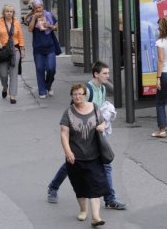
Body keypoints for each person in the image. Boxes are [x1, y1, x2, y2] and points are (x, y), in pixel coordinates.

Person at [47, 62, 127, 211]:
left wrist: (102, 124)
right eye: (105, 73)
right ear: (95, 74)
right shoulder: (87, 90)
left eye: (108, 73)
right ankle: (53, 187)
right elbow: (73, 110)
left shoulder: (102, 88)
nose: (107, 76)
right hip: (80, 136)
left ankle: (109, 198)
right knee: (71, 164)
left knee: (106, 165)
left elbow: (99, 112)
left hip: (95, 135)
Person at [60, 83, 109, 227]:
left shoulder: (94, 107)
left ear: (85, 95)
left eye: (80, 94)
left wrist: (102, 126)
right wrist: (68, 152)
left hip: (94, 155)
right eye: (75, 94)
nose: (77, 97)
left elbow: (102, 123)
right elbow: (64, 134)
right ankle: (83, 210)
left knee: (95, 186)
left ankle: (96, 217)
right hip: (76, 156)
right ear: (71, 96)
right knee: (80, 185)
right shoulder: (68, 112)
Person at [0, 5, 25, 104]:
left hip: (15, 50)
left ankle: (12, 95)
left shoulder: (17, 23)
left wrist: (22, 49)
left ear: (13, 13)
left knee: (14, 73)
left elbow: (21, 37)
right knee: (3, 73)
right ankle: (5, 86)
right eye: (7, 11)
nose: (9, 13)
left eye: (11, 11)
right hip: (2, 50)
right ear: (3, 12)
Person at [27, 0, 57, 98]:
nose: (39, 10)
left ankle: (48, 85)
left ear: (42, 7)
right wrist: (34, 18)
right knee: (40, 69)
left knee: (51, 68)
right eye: (36, 8)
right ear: (34, 9)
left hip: (50, 46)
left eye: (40, 7)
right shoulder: (32, 17)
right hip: (38, 48)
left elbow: (56, 27)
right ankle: (42, 90)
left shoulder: (48, 15)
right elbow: (30, 29)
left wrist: (49, 25)